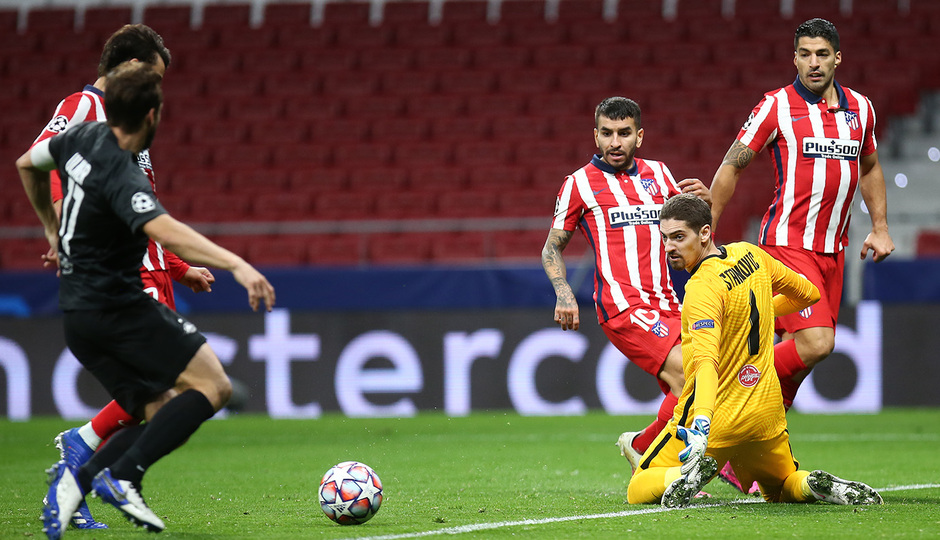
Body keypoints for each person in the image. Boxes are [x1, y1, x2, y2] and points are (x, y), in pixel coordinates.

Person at [17, 62, 275, 539]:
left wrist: (57, 233)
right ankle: (118, 469)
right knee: (211, 387)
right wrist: (236, 264)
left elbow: (27, 163)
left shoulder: (83, 141)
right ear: (151, 114)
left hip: (81, 307)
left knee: (158, 407)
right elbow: (160, 225)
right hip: (121, 299)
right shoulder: (116, 160)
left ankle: (75, 482)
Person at [30, 24, 215, 530]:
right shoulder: (87, 105)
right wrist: (56, 224)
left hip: (152, 265)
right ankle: (94, 455)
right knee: (173, 390)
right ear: (130, 69)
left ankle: (89, 474)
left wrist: (179, 266)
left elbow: (141, 207)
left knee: (158, 395)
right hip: (122, 275)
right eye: (154, 76)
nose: (158, 90)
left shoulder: (130, 120)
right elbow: (46, 160)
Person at [708, 17, 895, 491]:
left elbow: (870, 166)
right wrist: (708, 226)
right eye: (805, 54)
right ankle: (737, 414)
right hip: (787, 247)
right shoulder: (776, 106)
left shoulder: (861, 110)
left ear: (837, 58)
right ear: (794, 58)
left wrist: (879, 226)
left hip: (834, 250)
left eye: (822, 54)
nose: (814, 63)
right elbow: (732, 165)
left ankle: (742, 446)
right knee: (816, 344)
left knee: (804, 355)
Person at [626, 193, 882, 508]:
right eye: (665, 238)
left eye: (679, 237)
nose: (669, 247)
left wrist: (702, 425)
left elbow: (706, 364)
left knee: (638, 487)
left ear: (705, 233)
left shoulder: (700, 288)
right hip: (765, 415)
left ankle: (683, 475)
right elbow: (809, 293)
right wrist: (758, 313)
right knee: (782, 487)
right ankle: (812, 486)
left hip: (719, 419)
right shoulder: (750, 254)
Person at [541, 97, 710, 475]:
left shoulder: (660, 174)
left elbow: (693, 232)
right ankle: (660, 463)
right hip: (624, 305)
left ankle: (643, 447)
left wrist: (709, 202)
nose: (615, 142)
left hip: (669, 301)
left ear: (640, 135)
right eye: (607, 133)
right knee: (689, 374)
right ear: (596, 135)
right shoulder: (579, 184)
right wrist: (564, 292)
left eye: (624, 133)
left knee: (698, 382)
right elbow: (553, 246)